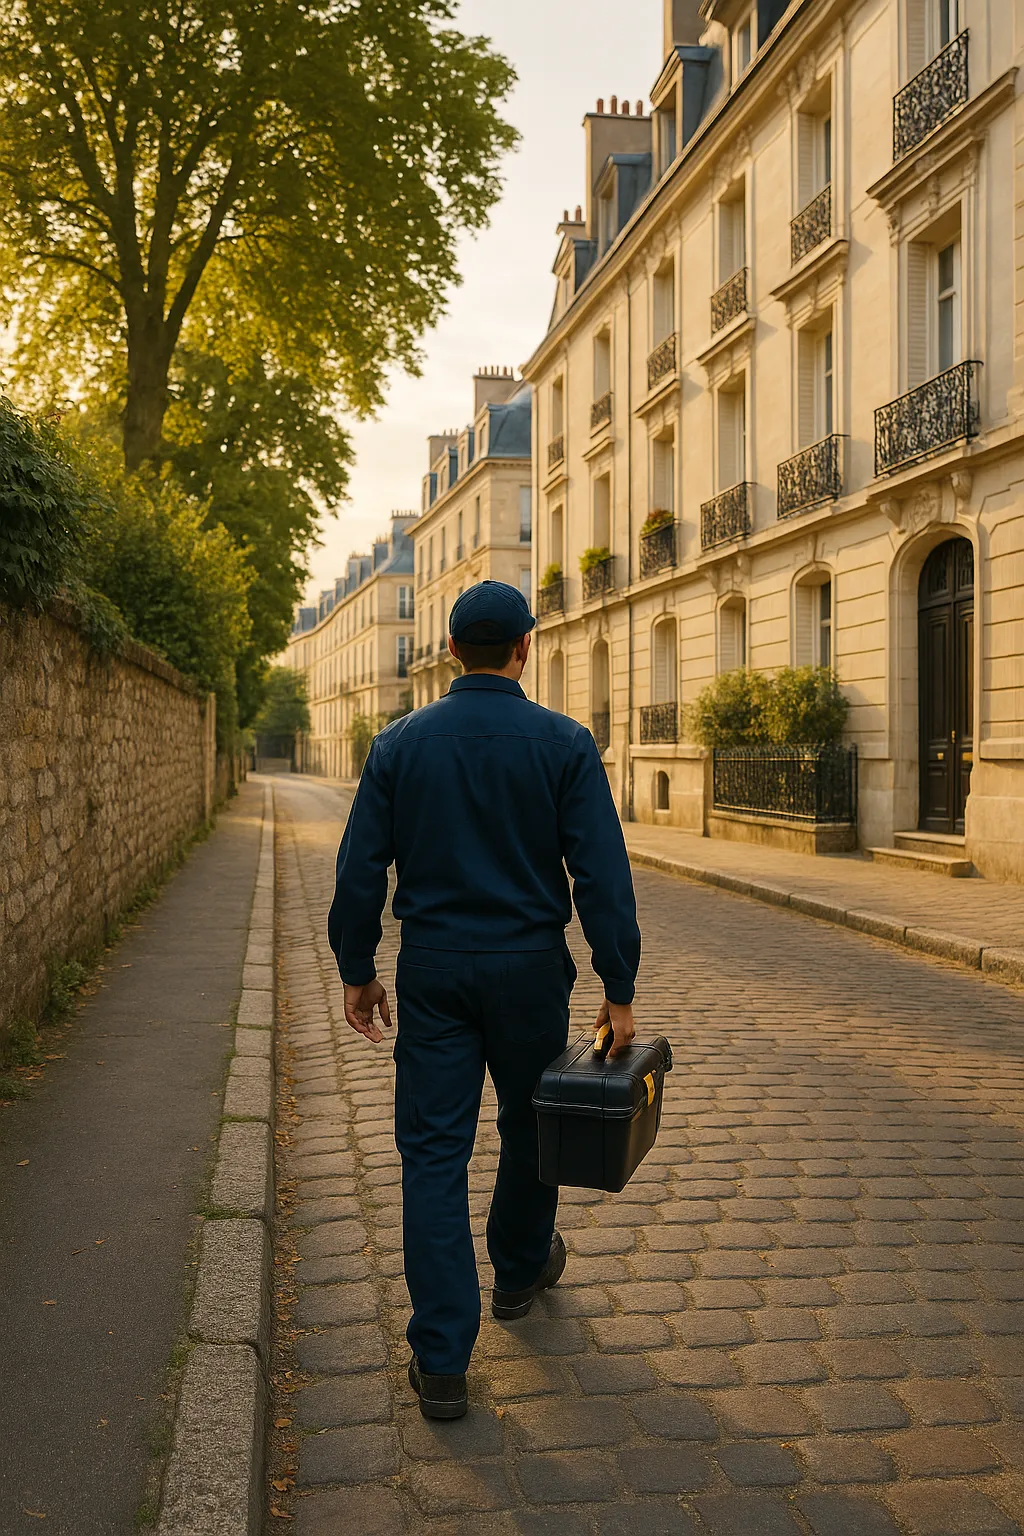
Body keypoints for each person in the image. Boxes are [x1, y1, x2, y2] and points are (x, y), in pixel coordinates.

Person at [328, 579, 641, 1419]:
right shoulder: (564, 742)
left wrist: (357, 966)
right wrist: (618, 985)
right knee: (533, 1128)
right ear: (525, 647)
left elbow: (360, 868)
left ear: (452, 653)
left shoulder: (399, 743)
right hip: (531, 969)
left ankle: (441, 1361)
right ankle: (517, 1273)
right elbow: (601, 873)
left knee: (432, 1154)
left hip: (433, 972)